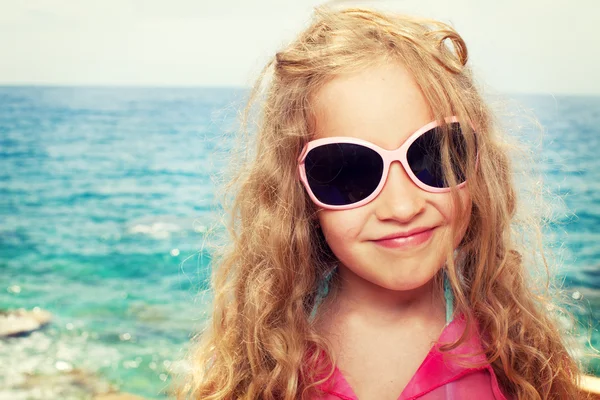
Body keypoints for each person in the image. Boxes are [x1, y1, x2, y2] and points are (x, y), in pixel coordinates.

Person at [177, 6, 586, 400]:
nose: (402, 207)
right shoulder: (268, 363)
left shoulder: (517, 351)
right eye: (348, 172)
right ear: (297, 195)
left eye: (432, 156)